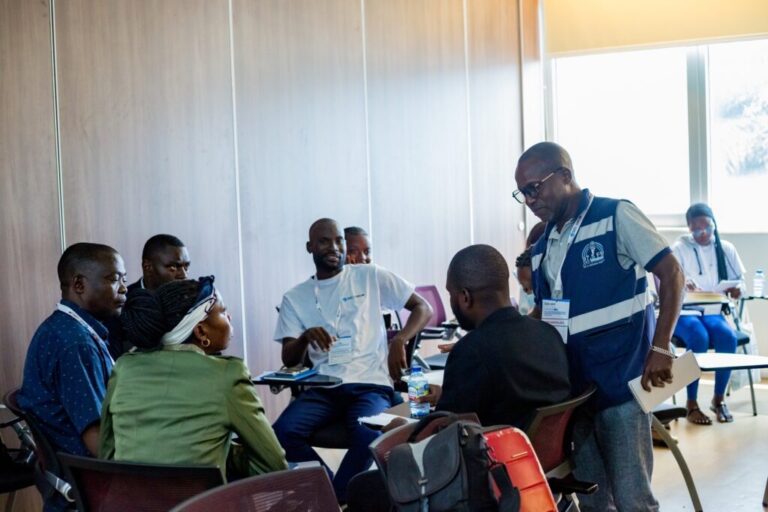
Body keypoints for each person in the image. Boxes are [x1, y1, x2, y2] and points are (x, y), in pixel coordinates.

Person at [514, 142, 684, 511]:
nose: (529, 200)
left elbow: (672, 274)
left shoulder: (616, 216)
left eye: (534, 188)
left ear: (564, 175)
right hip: (574, 394)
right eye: (522, 193)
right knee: (594, 501)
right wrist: (504, 335)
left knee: (632, 499)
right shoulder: (542, 247)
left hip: (621, 384)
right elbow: (547, 312)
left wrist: (661, 346)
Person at [272, 218, 432, 502]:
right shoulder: (295, 297)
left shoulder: (369, 276)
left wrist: (400, 339)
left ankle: (334, 500)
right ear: (310, 247)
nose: (334, 247)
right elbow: (289, 357)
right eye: (324, 241)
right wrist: (305, 338)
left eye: (339, 241)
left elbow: (423, 307)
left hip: (369, 384)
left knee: (368, 434)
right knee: (282, 433)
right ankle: (331, 493)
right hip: (323, 388)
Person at [100, 276, 287, 478]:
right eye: (222, 312)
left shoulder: (124, 367)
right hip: (200, 497)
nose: (229, 317)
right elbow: (274, 464)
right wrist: (224, 454)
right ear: (201, 332)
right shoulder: (227, 375)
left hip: (130, 495)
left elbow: (107, 454)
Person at [18, 243, 126, 511]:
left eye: (124, 279)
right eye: (114, 279)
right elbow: (99, 444)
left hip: (75, 483)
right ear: (79, 284)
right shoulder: (75, 344)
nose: (124, 288)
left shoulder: (67, 328)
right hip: (90, 490)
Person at [418, 244, 571, 428]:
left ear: (465, 297)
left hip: (495, 446)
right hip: (543, 446)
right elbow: (518, 400)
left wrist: (399, 428)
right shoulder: (549, 334)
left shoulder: (471, 351)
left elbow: (444, 429)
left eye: (451, 294)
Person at [672, 203, 744, 424]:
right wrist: (684, 284)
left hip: (713, 310)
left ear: (714, 224)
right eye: (696, 230)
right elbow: (670, 283)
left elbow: (741, 281)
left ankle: (718, 399)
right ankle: (691, 403)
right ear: (688, 228)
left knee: (728, 337)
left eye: (707, 228)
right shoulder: (679, 248)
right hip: (685, 313)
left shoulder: (726, 248)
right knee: (698, 336)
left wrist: (737, 289)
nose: (703, 233)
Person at [105, 234, 191, 358]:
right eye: (173, 267)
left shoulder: (192, 302)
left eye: (186, 267)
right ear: (148, 267)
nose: (184, 275)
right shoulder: (122, 303)